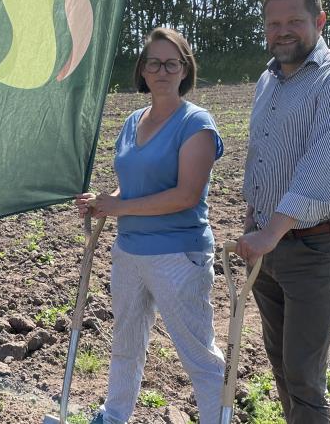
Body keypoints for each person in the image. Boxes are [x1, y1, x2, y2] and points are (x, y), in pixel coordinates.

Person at [234, 0, 330, 424]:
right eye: (274, 24)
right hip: (267, 246)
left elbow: (324, 165)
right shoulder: (268, 79)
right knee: (279, 360)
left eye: (294, 21)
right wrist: (253, 218)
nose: (283, 31)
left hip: (315, 247)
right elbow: (262, 155)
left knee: (304, 374)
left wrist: (270, 233)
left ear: (319, 21)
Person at [76, 27, 225, 424]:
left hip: (178, 254)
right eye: (153, 62)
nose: (161, 70)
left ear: (184, 70)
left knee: (198, 353)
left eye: (171, 63)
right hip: (129, 251)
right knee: (126, 341)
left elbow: (185, 195)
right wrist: (102, 202)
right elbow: (135, 181)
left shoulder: (197, 124)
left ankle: (217, 418)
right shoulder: (132, 121)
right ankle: (114, 415)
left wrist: (120, 206)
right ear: (142, 70)